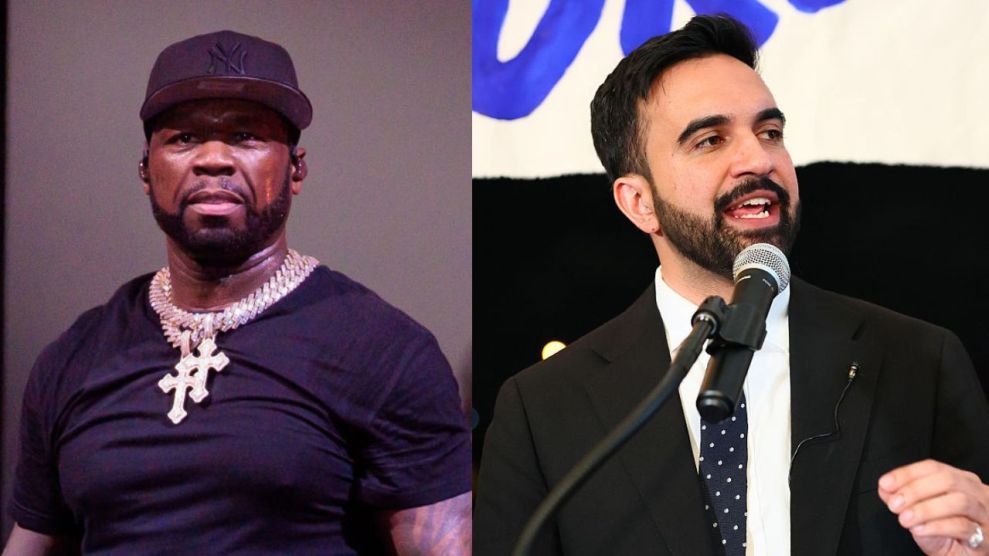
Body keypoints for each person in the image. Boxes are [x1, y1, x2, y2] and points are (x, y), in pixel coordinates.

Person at [475, 14, 989, 556]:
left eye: (770, 132)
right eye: (710, 140)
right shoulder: (542, 408)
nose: (759, 159)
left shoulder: (917, 360)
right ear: (639, 202)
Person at [4, 30, 471, 555]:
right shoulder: (73, 358)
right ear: (145, 170)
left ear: (296, 169)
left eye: (246, 136)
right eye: (183, 138)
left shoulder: (386, 352)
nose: (214, 160)